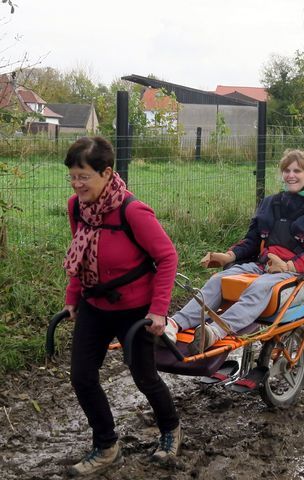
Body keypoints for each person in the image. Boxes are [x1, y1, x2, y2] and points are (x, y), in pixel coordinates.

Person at [62, 137, 180, 476]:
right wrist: (73, 297)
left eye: (83, 176)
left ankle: (170, 430)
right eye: (72, 176)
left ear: (106, 172)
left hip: (135, 311)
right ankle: (106, 445)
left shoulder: (132, 211)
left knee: (143, 376)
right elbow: (79, 256)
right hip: (94, 305)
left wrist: (158, 310)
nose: (76, 183)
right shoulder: (77, 207)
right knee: (82, 377)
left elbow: (167, 256)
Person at [165, 149, 304, 350]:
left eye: (297, 171)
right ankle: (174, 324)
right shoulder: (271, 203)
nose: (291, 175)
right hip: (262, 266)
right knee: (219, 280)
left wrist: (287, 266)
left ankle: (215, 331)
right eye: (286, 170)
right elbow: (252, 239)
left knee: (260, 287)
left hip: (299, 275)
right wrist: (228, 256)